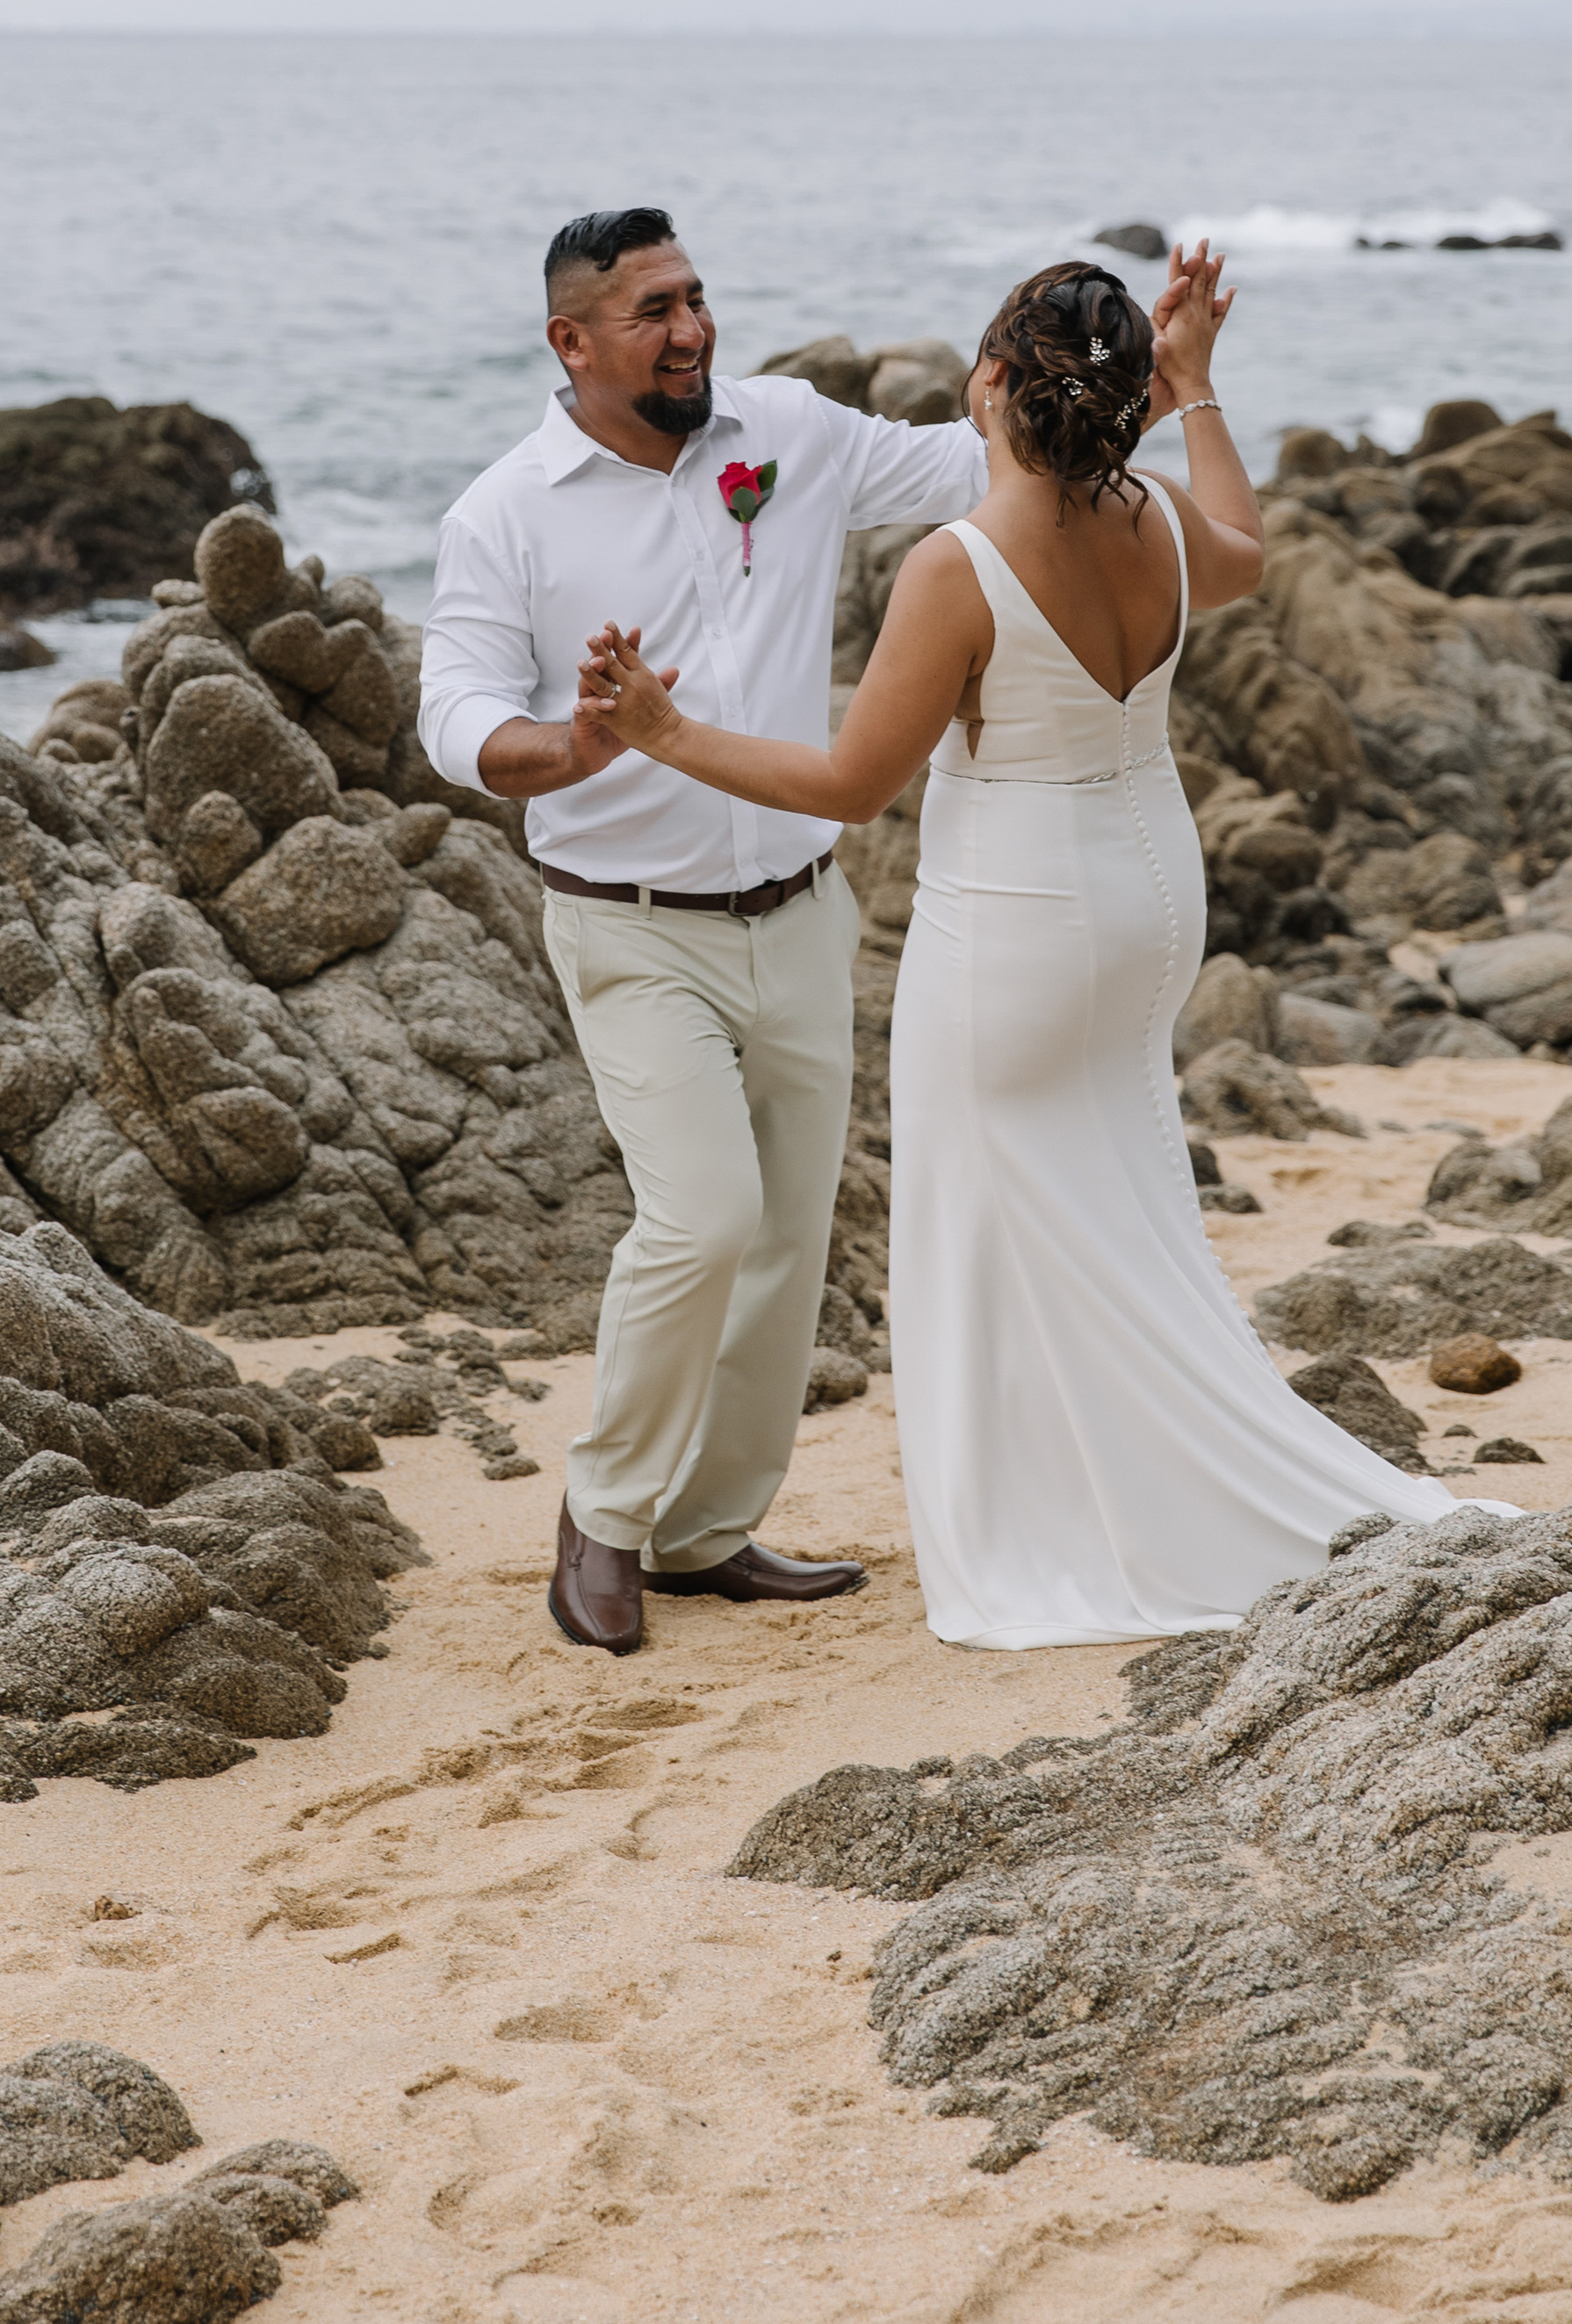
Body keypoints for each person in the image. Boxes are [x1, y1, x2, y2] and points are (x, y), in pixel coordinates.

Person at [575, 248, 1462, 1649]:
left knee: (984, 1222)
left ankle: (1041, 1527)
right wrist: (1203, 389)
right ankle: (1137, 1474)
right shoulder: (1157, 519)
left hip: (1023, 921)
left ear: (992, 381)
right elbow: (1252, 546)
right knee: (1111, 1194)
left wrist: (669, 736)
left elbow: (856, 784)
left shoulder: (962, 564)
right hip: (1154, 902)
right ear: (1119, 404)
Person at [418, 206, 994, 1658]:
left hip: (804, 915)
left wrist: (1137, 383)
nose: (689, 330)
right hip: (629, 930)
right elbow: (456, 717)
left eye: (694, 298)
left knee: (793, 1234)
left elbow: (976, 469)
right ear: (572, 341)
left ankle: (704, 1532)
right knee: (703, 1216)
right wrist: (578, 746)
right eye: (652, 311)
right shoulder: (505, 513)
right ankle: (603, 1519)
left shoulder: (784, 430)